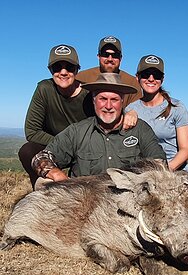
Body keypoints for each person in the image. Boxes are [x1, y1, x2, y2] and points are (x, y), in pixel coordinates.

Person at [31, 73, 166, 182]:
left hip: (129, 204)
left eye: (114, 100)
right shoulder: (77, 131)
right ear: (94, 101)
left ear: (122, 102)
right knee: (43, 184)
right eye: (102, 99)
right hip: (85, 205)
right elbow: (41, 158)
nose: (108, 106)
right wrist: (57, 175)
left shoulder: (140, 129)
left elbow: (159, 163)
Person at [18, 44, 95, 188]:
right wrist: (61, 145)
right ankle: (41, 191)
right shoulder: (44, 89)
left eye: (69, 67)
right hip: (53, 146)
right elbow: (32, 131)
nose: (63, 72)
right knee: (27, 151)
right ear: (50, 70)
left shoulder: (88, 95)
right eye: (57, 67)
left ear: (77, 69)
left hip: (83, 147)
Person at [126, 55, 188, 174]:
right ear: (137, 77)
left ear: (162, 79)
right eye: (146, 74)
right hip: (144, 174)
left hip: (174, 171)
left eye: (156, 75)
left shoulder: (177, 107)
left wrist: (164, 171)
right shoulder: (130, 109)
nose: (151, 79)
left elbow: (185, 150)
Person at [76, 36, 142, 107]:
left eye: (115, 55)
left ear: (120, 58)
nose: (110, 59)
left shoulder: (132, 83)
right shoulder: (81, 77)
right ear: (98, 56)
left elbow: (137, 108)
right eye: (105, 54)